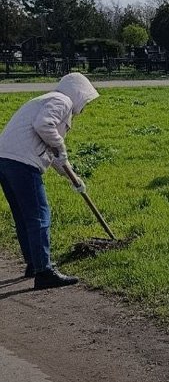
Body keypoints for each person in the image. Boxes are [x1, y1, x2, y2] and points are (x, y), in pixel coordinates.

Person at [0, 73, 99, 289]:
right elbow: (44, 126)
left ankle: (34, 263)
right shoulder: (62, 100)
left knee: (24, 216)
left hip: (5, 160)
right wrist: (61, 147)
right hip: (22, 163)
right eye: (86, 100)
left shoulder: (48, 99)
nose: (84, 107)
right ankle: (44, 272)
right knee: (39, 216)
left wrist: (72, 177)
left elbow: (53, 153)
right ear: (78, 92)